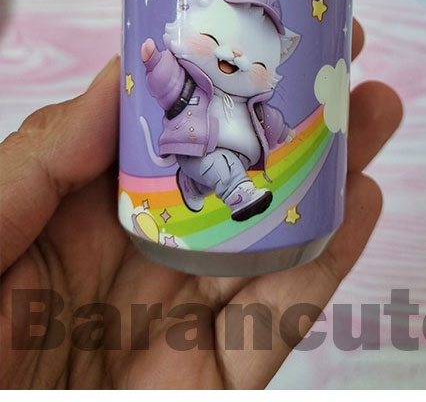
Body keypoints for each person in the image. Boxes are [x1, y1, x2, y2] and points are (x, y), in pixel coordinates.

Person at [0, 20, 402, 389]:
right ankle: (236, 193)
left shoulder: (253, 107)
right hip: (196, 147)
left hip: (234, 185)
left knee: (214, 170)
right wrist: (155, 61)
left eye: (256, 58)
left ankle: (191, 186)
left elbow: (272, 124)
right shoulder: (195, 89)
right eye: (214, 39)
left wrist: (286, 134)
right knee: (220, 164)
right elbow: (169, 84)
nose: (236, 54)